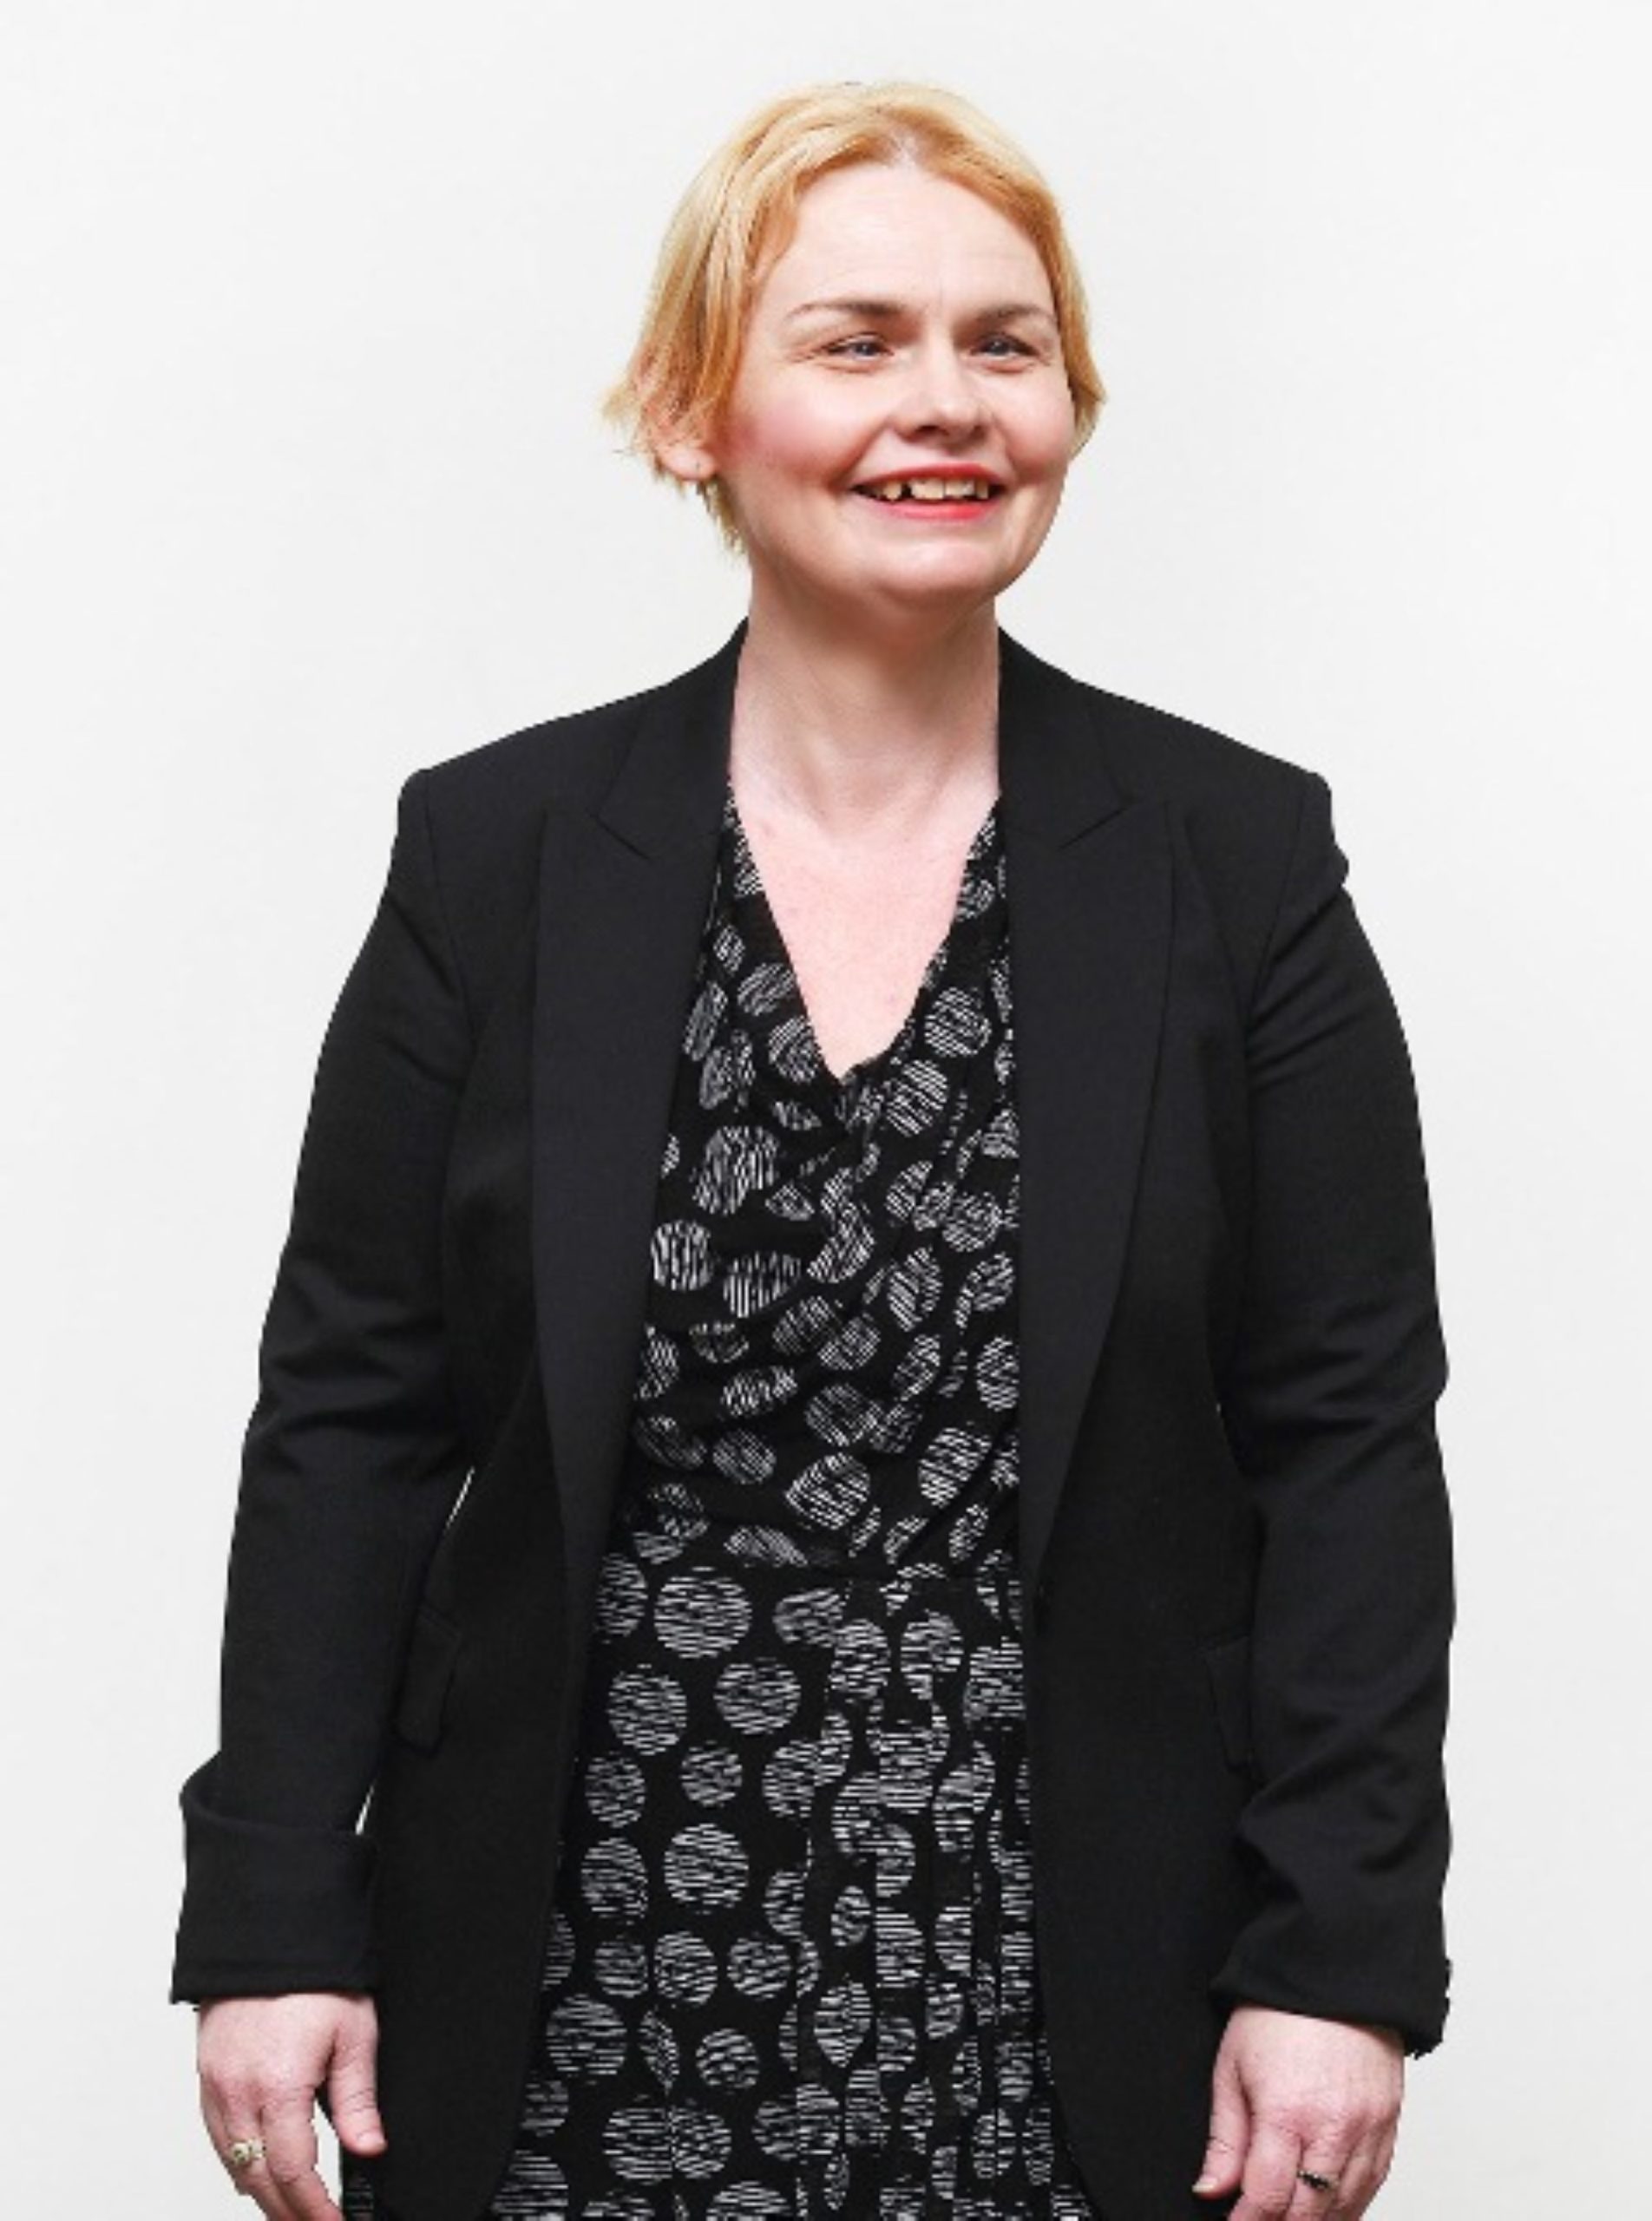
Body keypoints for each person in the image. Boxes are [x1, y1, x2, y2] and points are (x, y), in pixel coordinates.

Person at [173, 80, 1453, 2221]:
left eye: (1003, 343)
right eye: (857, 341)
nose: (947, 401)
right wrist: (275, 1911)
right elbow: (351, 1416)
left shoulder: (1238, 868)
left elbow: (1347, 1439)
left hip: (1083, 1993)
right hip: (570, 1978)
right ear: (694, 414)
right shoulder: (493, 858)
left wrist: (1339, 1951)